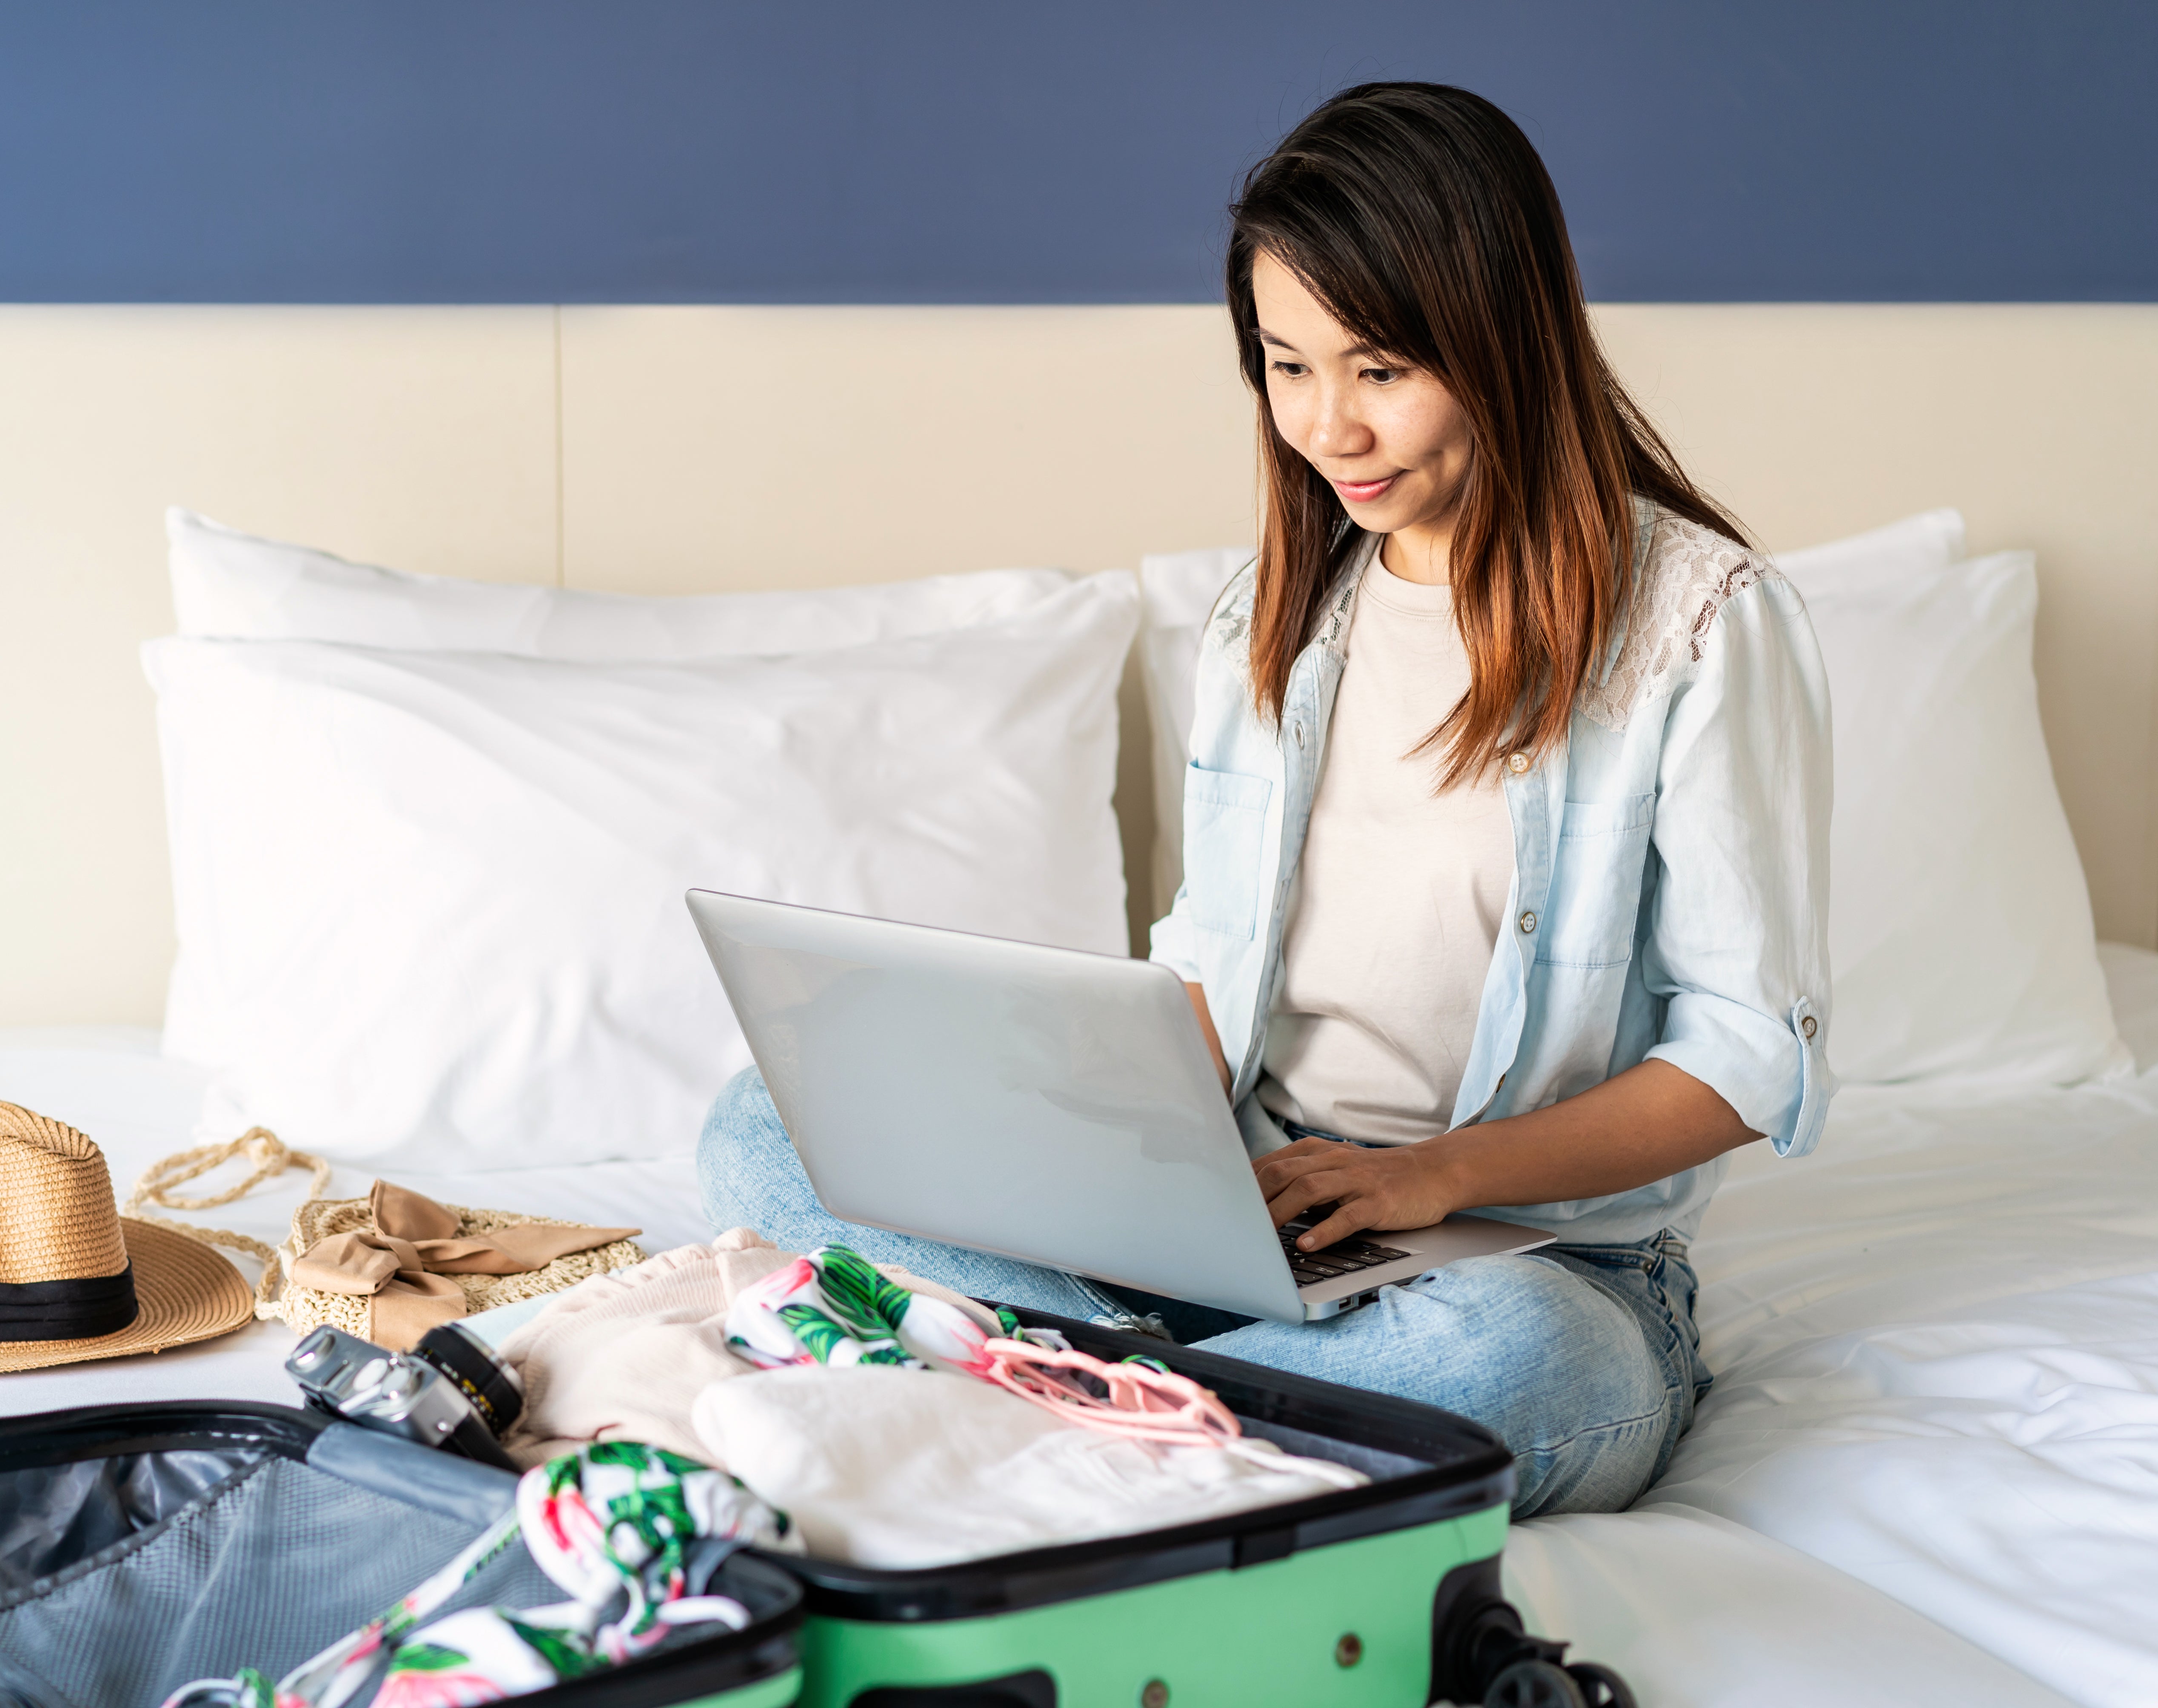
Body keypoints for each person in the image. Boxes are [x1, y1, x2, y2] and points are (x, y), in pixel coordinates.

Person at [697, 82, 1833, 1518]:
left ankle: (1035, 1392)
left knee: (1520, 1358)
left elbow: (1749, 1053)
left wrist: (1436, 1175)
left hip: (1525, 1265)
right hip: (1235, 1210)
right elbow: (1216, 958)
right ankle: (1180, 1407)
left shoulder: (1704, 623)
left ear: (1504, 338)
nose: (1329, 429)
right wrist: (1058, 1093)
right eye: (1288, 369)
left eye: (1378, 370)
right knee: (766, 1122)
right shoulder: (1273, 613)